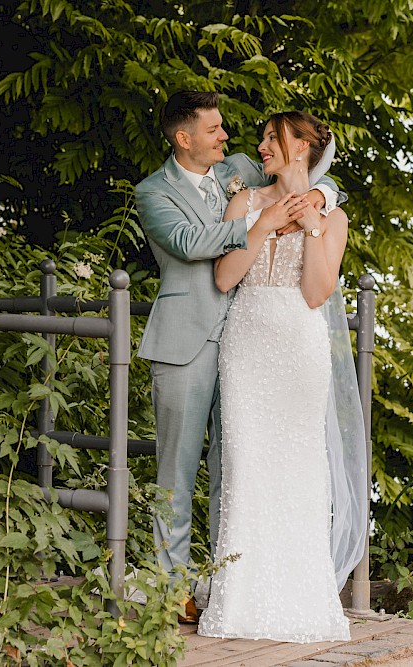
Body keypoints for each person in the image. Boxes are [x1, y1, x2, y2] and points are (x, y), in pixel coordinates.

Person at [135, 92, 345, 623]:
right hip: (186, 341)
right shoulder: (153, 192)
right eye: (213, 130)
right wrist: (263, 221)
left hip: (250, 345)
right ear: (184, 138)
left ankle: (227, 584)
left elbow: (311, 170)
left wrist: (316, 197)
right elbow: (189, 242)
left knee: (237, 470)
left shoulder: (239, 170)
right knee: (177, 472)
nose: (226, 137)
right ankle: (172, 591)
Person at [197, 111, 366, 642]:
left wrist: (312, 222)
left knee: (299, 468)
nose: (263, 145)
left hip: (299, 347)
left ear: (304, 147)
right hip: (246, 345)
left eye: (275, 137)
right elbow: (224, 278)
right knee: (245, 465)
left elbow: (316, 293)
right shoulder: (244, 202)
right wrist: (264, 223)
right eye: (264, 136)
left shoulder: (332, 217)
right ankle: (237, 602)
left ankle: (302, 601)